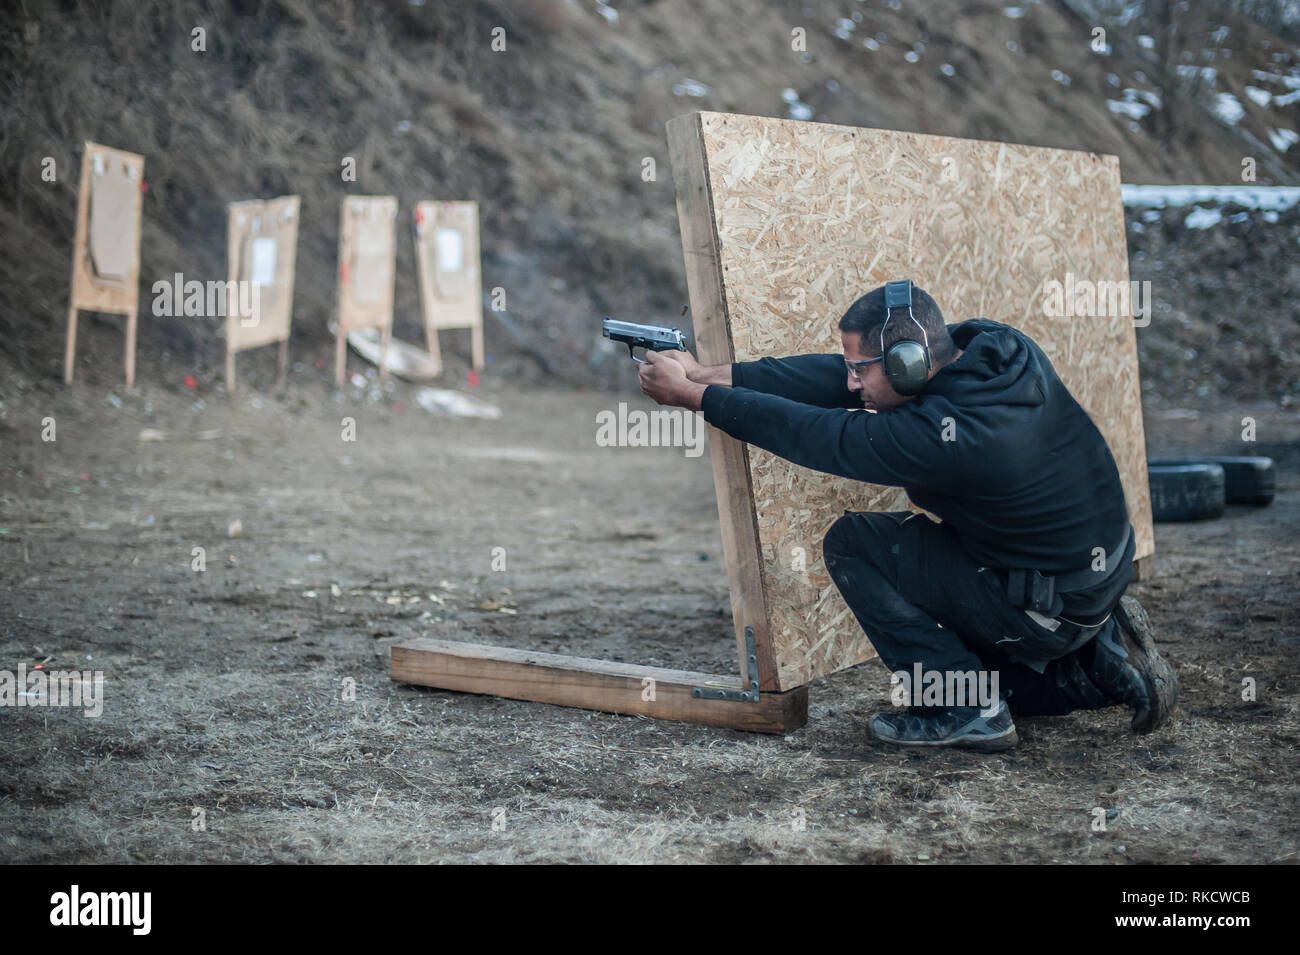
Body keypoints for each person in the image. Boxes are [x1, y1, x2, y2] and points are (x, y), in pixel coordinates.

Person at [637, 282, 1178, 751]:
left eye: (860, 370)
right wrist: (707, 374)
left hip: (1046, 607)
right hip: (1089, 580)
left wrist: (693, 397)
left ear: (909, 363)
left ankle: (967, 711)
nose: (851, 384)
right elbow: (832, 381)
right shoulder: (1001, 349)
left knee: (855, 544)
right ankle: (1098, 666)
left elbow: (817, 433)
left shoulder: (944, 438)